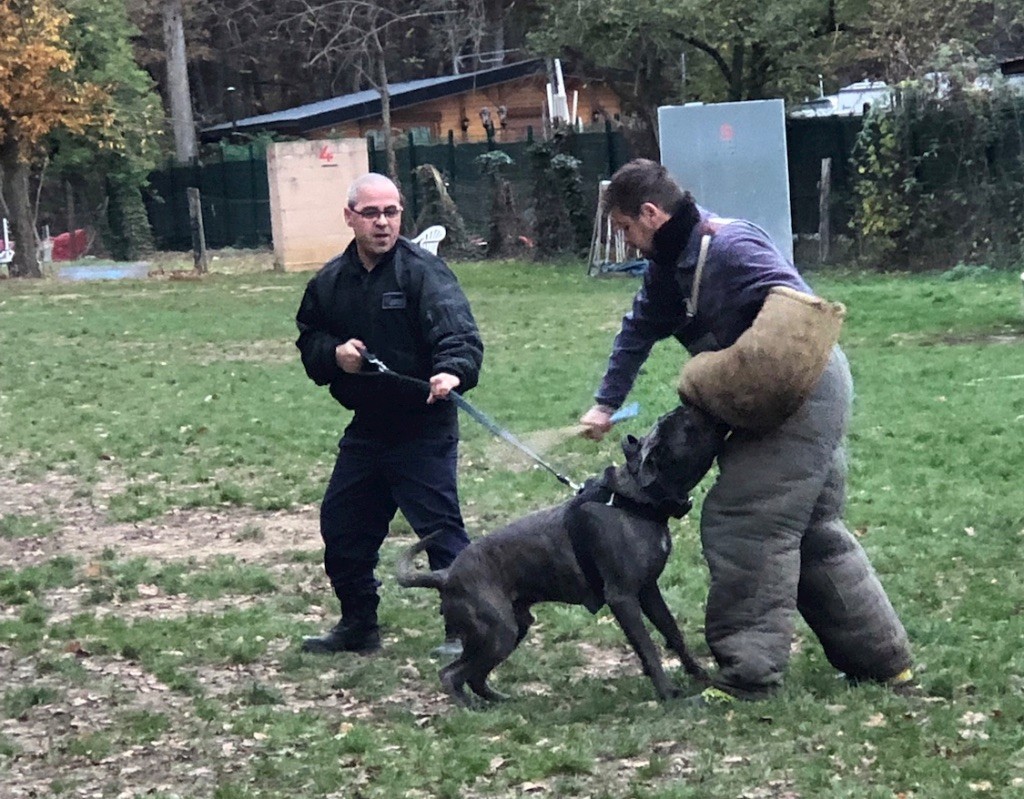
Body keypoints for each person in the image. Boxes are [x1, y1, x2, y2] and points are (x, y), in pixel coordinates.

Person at [579, 158, 913, 704]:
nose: (626, 241)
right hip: (773, 396)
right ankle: (884, 664)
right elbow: (637, 329)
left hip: (801, 390)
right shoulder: (669, 265)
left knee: (746, 523)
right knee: (811, 529)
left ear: (651, 213)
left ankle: (749, 675)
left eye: (625, 227)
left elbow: (802, 315)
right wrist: (604, 404)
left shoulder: (732, 245)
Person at [295, 173, 483, 656]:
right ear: (350, 217)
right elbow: (310, 339)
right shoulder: (330, 282)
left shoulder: (423, 272)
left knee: (440, 532)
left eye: (392, 212)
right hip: (368, 428)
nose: (382, 223)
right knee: (342, 527)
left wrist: (451, 373)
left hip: (424, 425)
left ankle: (466, 631)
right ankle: (358, 626)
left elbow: (458, 334)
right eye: (372, 213)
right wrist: (335, 354)